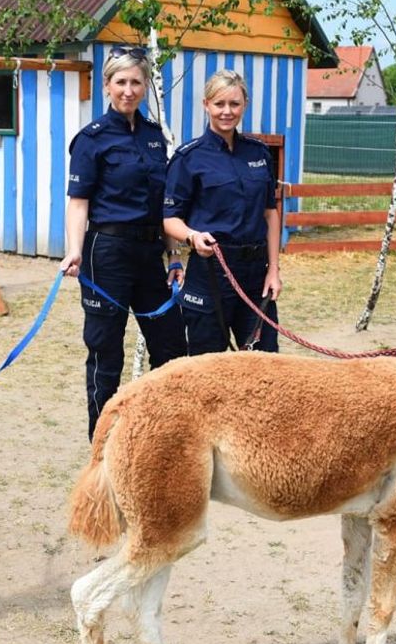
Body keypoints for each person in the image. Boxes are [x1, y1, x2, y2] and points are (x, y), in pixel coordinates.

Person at [60, 46, 187, 440]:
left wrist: (174, 254)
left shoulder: (154, 138)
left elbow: (164, 203)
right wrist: (74, 250)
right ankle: (101, 442)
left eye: (136, 82)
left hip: (151, 254)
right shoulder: (91, 140)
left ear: (146, 85)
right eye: (121, 82)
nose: (128, 90)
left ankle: (163, 435)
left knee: (170, 348)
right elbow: (78, 203)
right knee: (105, 353)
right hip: (107, 254)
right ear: (107, 85)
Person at [163, 69, 282, 355]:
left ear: (244, 105)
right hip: (211, 272)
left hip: (256, 274)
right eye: (219, 104)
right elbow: (169, 219)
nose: (227, 111)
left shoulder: (259, 153)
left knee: (264, 363)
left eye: (234, 104)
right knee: (208, 367)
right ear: (206, 105)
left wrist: (274, 271)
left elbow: (271, 214)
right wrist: (192, 237)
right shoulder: (188, 157)